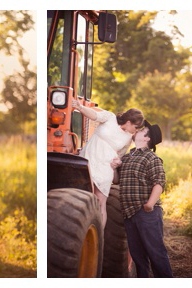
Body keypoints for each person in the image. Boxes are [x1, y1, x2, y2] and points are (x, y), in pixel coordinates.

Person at [73, 99, 144, 229]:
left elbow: (120, 155)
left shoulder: (128, 138)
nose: (137, 130)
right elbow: (95, 115)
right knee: (82, 196)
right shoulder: (110, 118)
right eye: (136, 126)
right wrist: (81, 107)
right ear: (129, 122)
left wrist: (118, 163)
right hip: (88, 159)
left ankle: (98, 238)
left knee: (100, 202)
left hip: (105, 168)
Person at [117, 120, 172, 277]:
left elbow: (159, 183)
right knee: (138, 256)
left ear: (147, 138)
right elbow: (116, 180)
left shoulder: (151, 158)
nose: (138, 130)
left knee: (156, 253)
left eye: (142, 130)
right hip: (129, 213)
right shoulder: (127, 157)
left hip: (146, 212)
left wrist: (150, 204)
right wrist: (115, 168)